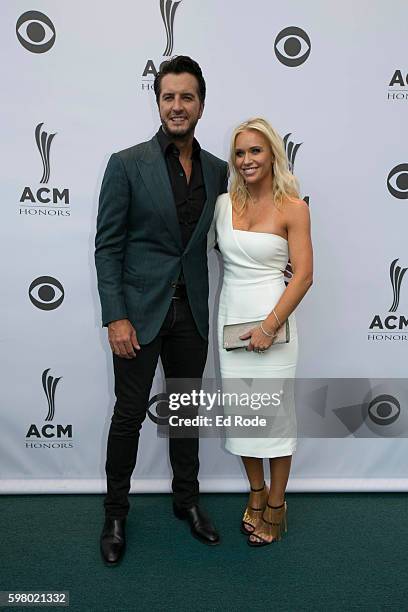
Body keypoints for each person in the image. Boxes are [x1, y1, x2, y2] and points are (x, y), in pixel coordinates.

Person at [95, 55, 228, 564]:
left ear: (200, 104)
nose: (178, 106)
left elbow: (233, 234)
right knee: (128, 416)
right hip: (139, 316)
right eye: (169, 97)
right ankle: (114, 512)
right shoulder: (126, 164)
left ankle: (187, 502)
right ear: (158, 102)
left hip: (191, 313)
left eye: (187, 97)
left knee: (185, 414)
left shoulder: (218, 170)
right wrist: (116, 316)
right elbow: (108, 247)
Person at [214, 118, 313, 546]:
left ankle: (276, 504)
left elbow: (304, 276)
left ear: (273, 154)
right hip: (231, 319)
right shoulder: (222, 204)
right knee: (243, 417)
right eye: (240, 153)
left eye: (255, 150)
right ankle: (255, 495)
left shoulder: (294, 206)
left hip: (275, 324)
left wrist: (269, 328)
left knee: (275, 420)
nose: (247, 159)